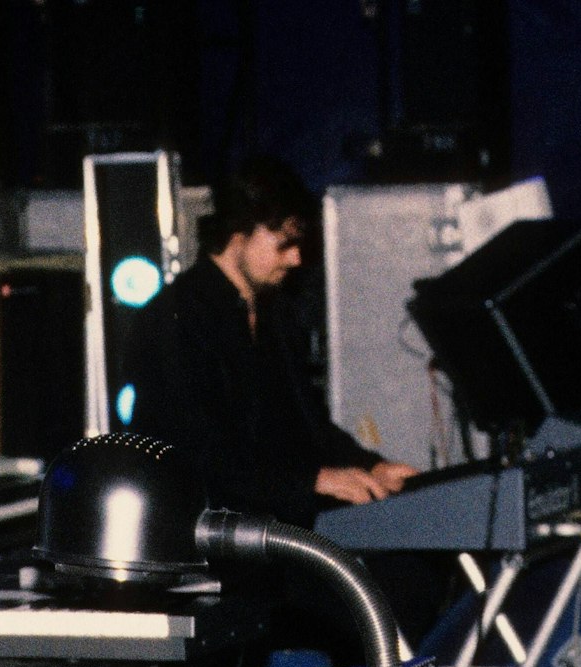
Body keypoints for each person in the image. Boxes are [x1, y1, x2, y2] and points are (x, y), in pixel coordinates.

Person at [120, 157, 419, 528]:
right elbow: (198, 450)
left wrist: (370, 465)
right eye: (284, 244)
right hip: (201, 535)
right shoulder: (173, 318)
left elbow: (308, 424)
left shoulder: (273, 313)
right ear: (238, 232)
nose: (295, 258)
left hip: (268, 528)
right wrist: (312, 481)